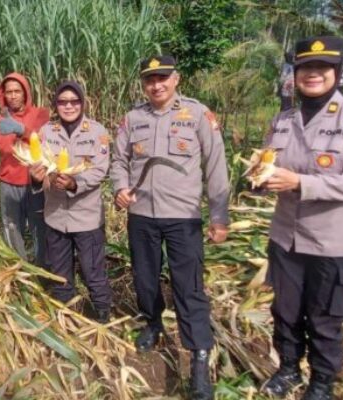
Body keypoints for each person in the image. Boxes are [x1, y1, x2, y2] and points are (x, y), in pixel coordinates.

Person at [259, 36, 343, 400]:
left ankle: (321, 383)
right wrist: (259, 178)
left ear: (338, 72)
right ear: (296, 74)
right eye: (305, 68)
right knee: (285, 312)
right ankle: (287, 370)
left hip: (336, 241)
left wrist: (300, 182)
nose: (313, 74)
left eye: (321, 67)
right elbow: (269, 163)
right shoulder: (283, 120)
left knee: (325, 319)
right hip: (287, 236)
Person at [110, 55, 230, 399]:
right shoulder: (133, 117)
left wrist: (219, 216)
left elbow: (216, 165)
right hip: (142, 215)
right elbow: (119, 160)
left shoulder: (196, 114)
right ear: (143, 84)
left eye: (163, 78)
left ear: (176, 79)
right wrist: (119, 188)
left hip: (183, 217)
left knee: (189, 287)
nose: (156, 85)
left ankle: (199, 358)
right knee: (145, 279)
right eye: (150, 79)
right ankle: (152, 322)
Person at [30, 81, 112, 323]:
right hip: (55, 216)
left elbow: (99, 170)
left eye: (74, 101)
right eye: (62, 102)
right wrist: (36, 179)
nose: (68, 106)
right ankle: (68, 316)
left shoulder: (97, 132)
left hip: (86, 217)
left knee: (93, 271)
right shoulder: (46, 132)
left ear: (82, 103)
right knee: (61, 272)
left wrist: (74, 184)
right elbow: (39, 167)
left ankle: (102, 315)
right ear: (56, 105)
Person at [0, 73, 49, 266]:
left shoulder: (41, 115)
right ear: (3, 95)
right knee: (12, 228)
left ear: (25, 93)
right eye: (9, 92)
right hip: (9, 184)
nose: (13, 96)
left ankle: (43, 273)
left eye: (17, 91)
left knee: (40, 228)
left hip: (36, 183)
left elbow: (48, 144)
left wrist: (23, 131)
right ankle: (20, 271)